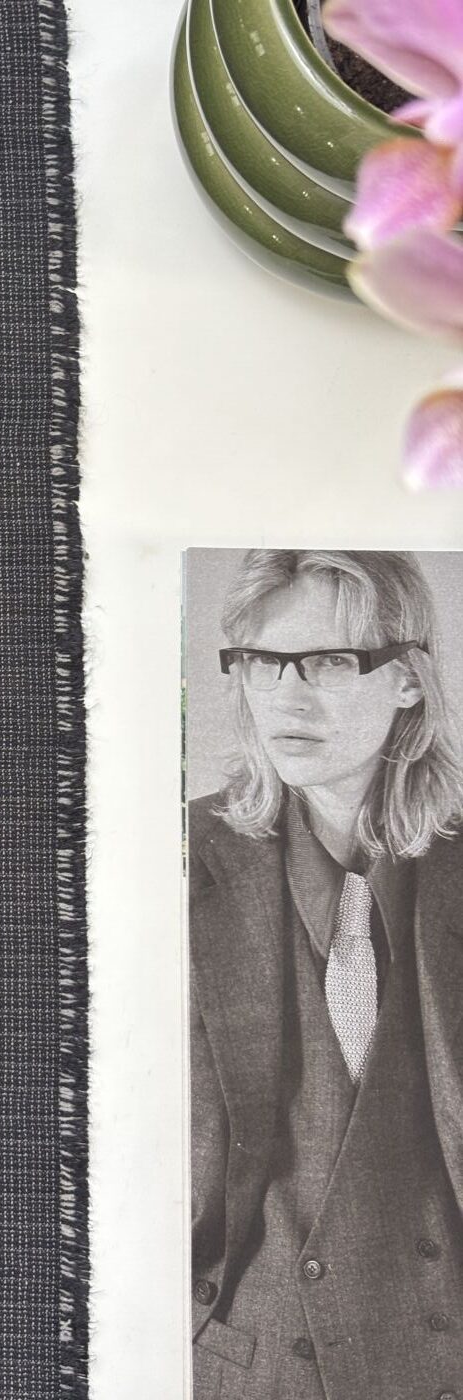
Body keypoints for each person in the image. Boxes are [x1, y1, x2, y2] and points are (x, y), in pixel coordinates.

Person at [189, 549, 463, 1400]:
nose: (287, 697)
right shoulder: (174, 859)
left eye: (330, 662)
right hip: (253, 1365)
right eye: (262, 662)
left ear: (408, 680)